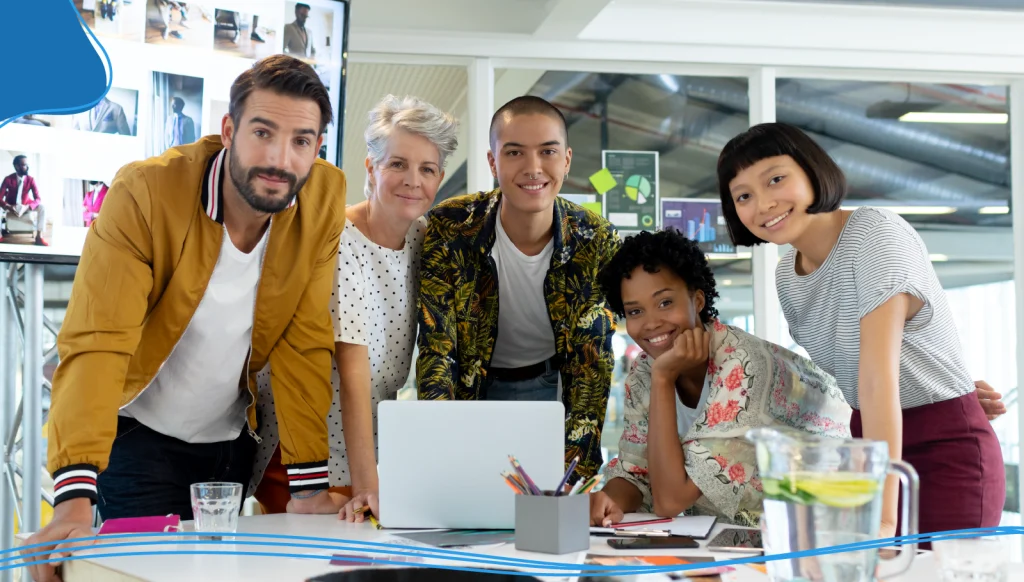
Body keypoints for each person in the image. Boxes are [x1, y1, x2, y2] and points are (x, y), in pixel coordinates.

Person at [23, 54, 347, 582]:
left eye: (301, 141)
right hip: (141, 438)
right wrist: (73, 498)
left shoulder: (322, 200)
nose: (279, 158)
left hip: (230, 447)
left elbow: (303, 340)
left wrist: (308, 488)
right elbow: (98, 341)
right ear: (228, 130)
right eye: (262, 132)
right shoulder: (145, 192)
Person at [717, 122, 1006, 540]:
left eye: (776, 179)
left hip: (946, 455)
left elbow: (876, 380)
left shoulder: (874, 233)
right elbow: (851, 380)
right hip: (869, 447)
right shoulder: (788, 277)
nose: (763, 203)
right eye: (743, 195)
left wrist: (884, 517)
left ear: (812, 170)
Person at [250, 95, 459, 520]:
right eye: (397, 164)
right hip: (306, 453)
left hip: (366, 447)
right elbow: (353, 371)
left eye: (427, 169)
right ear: (371, 168)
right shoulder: (340, 238)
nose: (413, 180)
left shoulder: (425, 241)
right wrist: (369, 487)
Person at [416, 96, 619, 485]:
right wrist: (439, 446)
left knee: (545, 505)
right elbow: (438, 348)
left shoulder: (595, 240)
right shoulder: (451, 227)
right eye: (514, 152)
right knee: (469, 500)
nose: (533, 168)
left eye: (548, 152)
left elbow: (592, 362)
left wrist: (579, 479)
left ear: (567, 160)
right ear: (493, 162)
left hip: (550, 386)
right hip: (471, 387)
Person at [589, 228, 852, 527]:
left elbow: (670, 501)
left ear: (698, 300)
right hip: (740, 533)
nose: (650, 323)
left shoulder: (742, 365)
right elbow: (636, 470)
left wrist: (664, 378)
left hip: (823, 527)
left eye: (665, 303)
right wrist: (607, 500)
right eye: (635, 311)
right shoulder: (645, 370)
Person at [0, 155, 48, 246]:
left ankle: (39, 237)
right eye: (23, 165)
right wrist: (8, 206)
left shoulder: (31, 180)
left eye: (27, 165)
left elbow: (38, 199)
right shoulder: (8, 179)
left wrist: (27, 207)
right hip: (11, 205)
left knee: (42, 207)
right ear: (16, 166)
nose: (27, 167)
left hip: (26, 205)